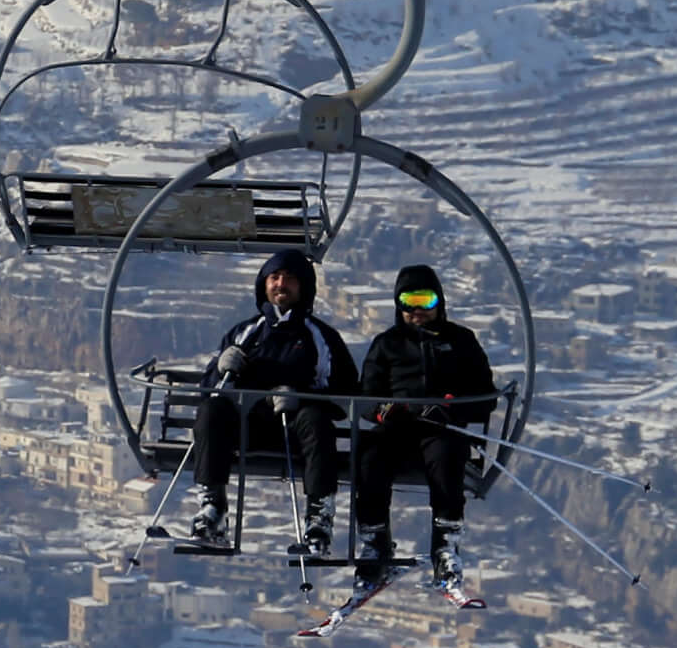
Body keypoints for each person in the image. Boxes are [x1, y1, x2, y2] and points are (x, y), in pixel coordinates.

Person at [184, 248, 355, 557]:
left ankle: (319, 517)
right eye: (274, 278)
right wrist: (221, 367)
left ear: (303, 287)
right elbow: (209, 389)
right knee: (212, 409)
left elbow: (342, 394)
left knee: (315, 419)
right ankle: (212, 507)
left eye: (289, 279)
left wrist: (301, 397)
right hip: (249, 428)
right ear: (263, 285)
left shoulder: (320, 337)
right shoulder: (245, 332)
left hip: (296, 434)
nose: (281, 285)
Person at [350, 263, 497, 590]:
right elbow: (366, 398)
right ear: (398, 305)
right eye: (408, 303)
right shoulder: (387, 344)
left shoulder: (461, 341)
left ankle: (445, 547)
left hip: (440, 429)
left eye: (425, 301)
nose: (417, 311)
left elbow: (486, 396)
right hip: (398, 427)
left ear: (439, 302)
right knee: (371, 458)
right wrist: (385, 411)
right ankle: (375, 543)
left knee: (447, 460)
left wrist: (451, 407)